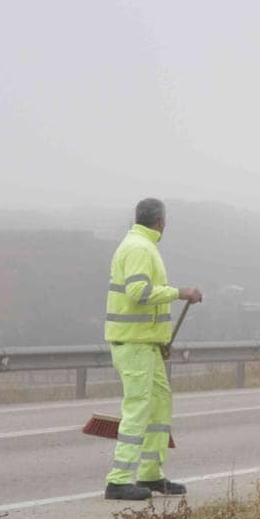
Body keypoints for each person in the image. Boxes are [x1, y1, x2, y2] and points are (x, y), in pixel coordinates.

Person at [103, 198, 203, 500]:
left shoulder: (143, 246)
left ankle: (150, 475)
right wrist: (179, 292)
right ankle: (118, 480)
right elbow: (138, 293)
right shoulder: (138, 248)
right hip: (133, 344)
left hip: (145, 344)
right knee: (138, 407)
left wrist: (160, 340)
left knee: (160, 404)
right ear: (161, 222)